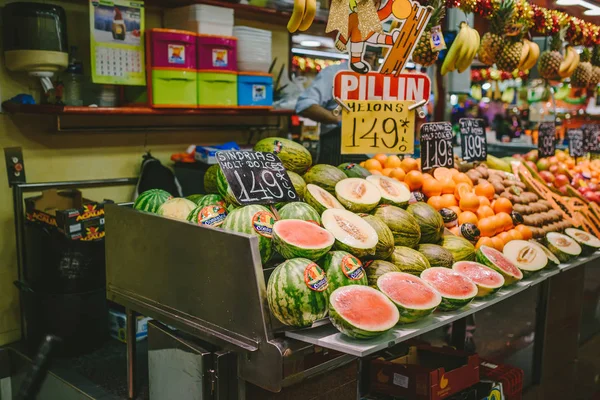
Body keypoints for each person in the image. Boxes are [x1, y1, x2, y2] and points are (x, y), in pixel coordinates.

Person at [295, 52, 378, 165]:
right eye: (362, 45)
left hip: (376, 149)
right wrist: (340, 120)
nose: (367, 51)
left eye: (371, 47)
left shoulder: (384, 76)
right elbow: (304, 105)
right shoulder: (333, 73)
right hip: (338, 143)